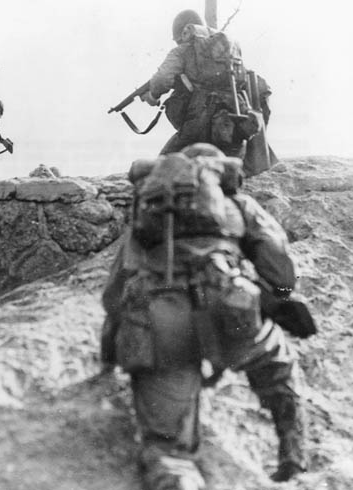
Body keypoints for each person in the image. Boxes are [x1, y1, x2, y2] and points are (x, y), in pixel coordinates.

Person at [100, 144, 308, 490]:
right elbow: (281, 269)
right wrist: (281, 300)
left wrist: (116, 342)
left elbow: (114, 293)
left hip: (161, 320)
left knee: (168, 450)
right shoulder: (237, 203)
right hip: (231, 305)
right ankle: (293, 455)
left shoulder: (151, 212)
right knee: (277, 366)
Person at [139, 10, 270, 161]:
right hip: (234, 120)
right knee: (228, 166)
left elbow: (162, 78)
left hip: (200, 123)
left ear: (182, 33)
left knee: (163, 165)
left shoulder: (182, 51)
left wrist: (152, 96)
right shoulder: (227, 50)